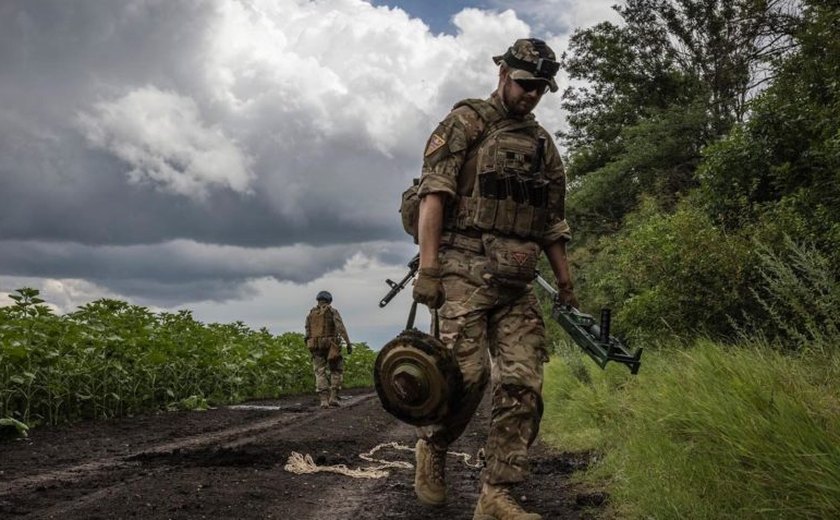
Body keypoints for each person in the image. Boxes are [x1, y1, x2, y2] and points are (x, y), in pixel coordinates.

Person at [410, 38, 578, 520]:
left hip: (517, 279)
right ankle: (434, 445)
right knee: (467, 377)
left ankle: (497, 494)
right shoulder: (464, 123)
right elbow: (433, 196)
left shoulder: (543, 146)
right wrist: (429, 268)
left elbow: (552, 224)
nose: (531, 95)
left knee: (524, 383)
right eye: (525, 84)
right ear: (503, 72)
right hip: (461, 267)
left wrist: (566, 285)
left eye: (540, 88)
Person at [304, 291, 353, 409]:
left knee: (319, 372)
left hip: (315, 346)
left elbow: (307, 331)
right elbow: (340, 328)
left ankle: (323, 400)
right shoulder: (332, 311)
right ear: (329, 300)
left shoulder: (311, 314)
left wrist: (309, 345)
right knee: (336, 370)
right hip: (331, 346)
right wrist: (348, 343)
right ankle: (333, 397)